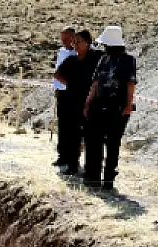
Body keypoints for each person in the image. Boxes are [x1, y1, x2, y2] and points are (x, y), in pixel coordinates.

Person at [83, 25, 138, 190]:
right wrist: (88, 102)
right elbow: (96, 82)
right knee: (94, 142)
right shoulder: (103, 59)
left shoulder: (129, 60)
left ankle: (108, 180)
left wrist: (128, 105)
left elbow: (130, 84)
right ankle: (92, 178)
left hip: (117, 107)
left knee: (113, 144)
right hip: (98, 106)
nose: (104, 46)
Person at [54, 30, 104, 175]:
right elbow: (57, 74)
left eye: (79, 42)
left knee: (91, 136)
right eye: (73, 42)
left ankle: (92, 168)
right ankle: (72, 164)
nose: (75, 45)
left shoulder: (97, 57)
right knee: (72, 134)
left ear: (88, 43)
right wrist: (70, 85)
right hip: (73, 102)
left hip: (92, 102)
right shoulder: (71, 60)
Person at [51, 28, 77, 167]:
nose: (64, 42)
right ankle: (62, 155)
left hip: (72, 93)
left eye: (67, 39)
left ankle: (72, 157)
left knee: (72, 127)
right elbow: (57, 70)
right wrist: (56, 88)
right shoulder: (61, 52)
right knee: (62, 125)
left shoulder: (77, 54)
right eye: (63, 39)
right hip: (61, 93)